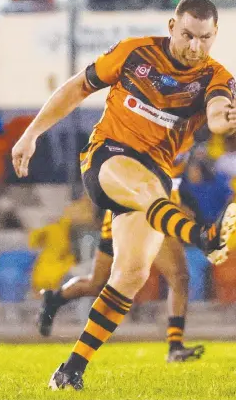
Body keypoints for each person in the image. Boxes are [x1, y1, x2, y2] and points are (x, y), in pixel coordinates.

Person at [11, 0, 236, 390]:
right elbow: (76, 88)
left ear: (215, 35)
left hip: (154, 178)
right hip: (108, 158)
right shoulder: (134, 53)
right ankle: (200, 236)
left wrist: (227, 120)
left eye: (205, 39)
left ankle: (71, 370)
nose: (195, 47)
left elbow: (219, 112)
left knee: (130, 274)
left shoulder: (215, 77)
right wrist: (31, 134)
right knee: (147, 191)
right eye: (188, 35)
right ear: (172, 26)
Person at [38, 152, 205, 363]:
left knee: (179, 276)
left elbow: (173, 180)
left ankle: (175, 345)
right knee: (97, 284)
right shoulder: (146, 135)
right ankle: (56, 301)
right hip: (132, 214)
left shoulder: (181, 136)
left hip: (158, 215)